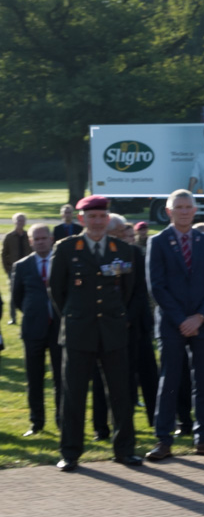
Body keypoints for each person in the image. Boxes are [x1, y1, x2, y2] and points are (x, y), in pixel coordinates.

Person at [48, 196, 141, 471]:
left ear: (108, 218)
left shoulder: (122, 249)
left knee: (121, 395)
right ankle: (70, 453)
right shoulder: (66, 249)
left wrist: (118, 317)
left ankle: (124, 450)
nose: (98, 221)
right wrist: (75, 315)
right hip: (78, 331)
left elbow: (129, 290)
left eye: (102, 216)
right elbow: (57, 290)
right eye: (92, 217)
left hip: (112, 331)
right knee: (73, 394)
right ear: (81, 220)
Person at [145, 189, 204, 460]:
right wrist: (182, 320)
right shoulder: (157, 242)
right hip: (172, 325)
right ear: (169, 211)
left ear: (195, 211)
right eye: (178, 207)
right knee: (169, 382)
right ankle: (163, 440)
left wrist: (199, 317)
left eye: (188, 207)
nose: (183, 211)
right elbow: (156, 286)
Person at [107, 214, 159, 427]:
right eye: (120, 233)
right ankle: (118, 424)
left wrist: (127, 318)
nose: (125, 237)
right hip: (111, 327)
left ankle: (155, 420)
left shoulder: (135, 253)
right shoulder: (102, 254)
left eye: (126, 233)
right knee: (120, 378)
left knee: (148, 374)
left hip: (138, 324)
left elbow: (140, 291)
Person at [11, 224, 61, 436]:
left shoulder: (61, 262)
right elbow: (17, 298)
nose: (40, 242)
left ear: (51, 239)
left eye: (44, 238)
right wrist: (36, 313)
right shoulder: (22, 266)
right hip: (33, 330)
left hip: (60, 329)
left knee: (61, 378)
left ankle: (63, 421)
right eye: (36, 239)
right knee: (34, 378)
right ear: (31, 242)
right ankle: (36, 423)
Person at [3, 212, 30, 325]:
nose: (20, 222)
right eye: (18, 220)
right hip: (13, 271)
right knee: (13, 294)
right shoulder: (9, 237)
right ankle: (13, 318)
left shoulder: (29, 236)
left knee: (27, 294)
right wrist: (7, 269)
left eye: (22, 220)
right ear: (14, 222)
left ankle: (26, 315)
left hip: (28, 270)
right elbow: (4, 254)